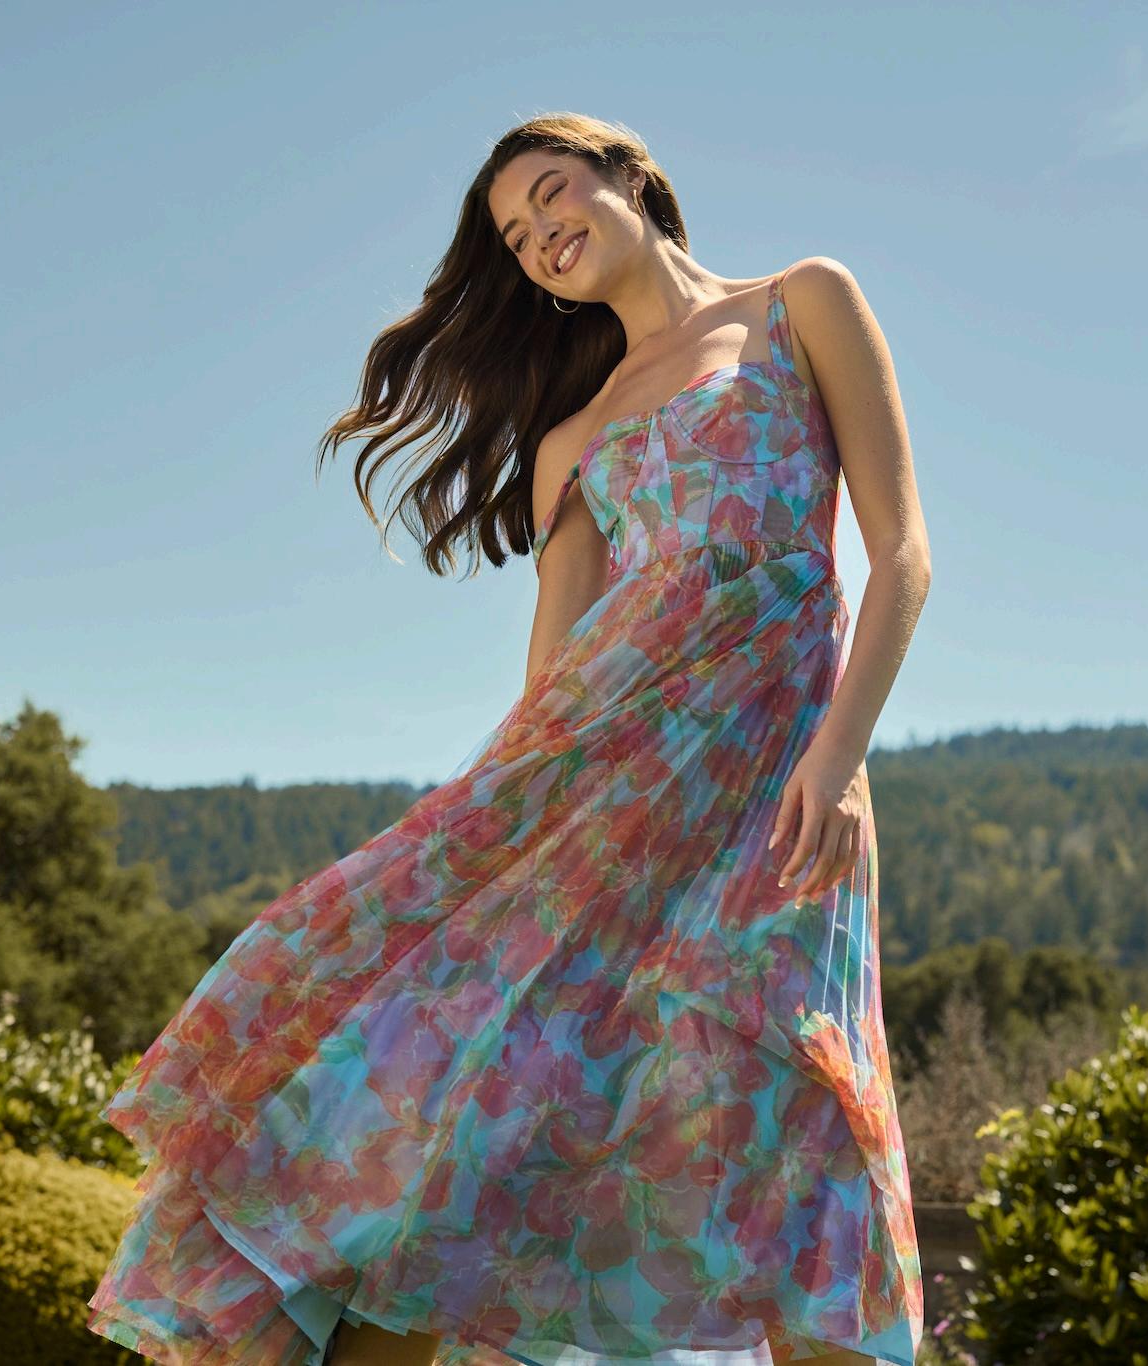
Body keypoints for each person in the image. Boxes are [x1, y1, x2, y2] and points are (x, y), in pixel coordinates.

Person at [86, 111, 933, 1366]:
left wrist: (837, 753)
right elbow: (551, 689)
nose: (538, 235)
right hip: (602, 806)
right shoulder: (570, 443)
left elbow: (900, 554)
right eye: (514, 234)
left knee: (797, 1101)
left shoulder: (799, 304)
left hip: (778, 792)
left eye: (550, 194)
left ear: (629, 177)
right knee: (491, 1105)